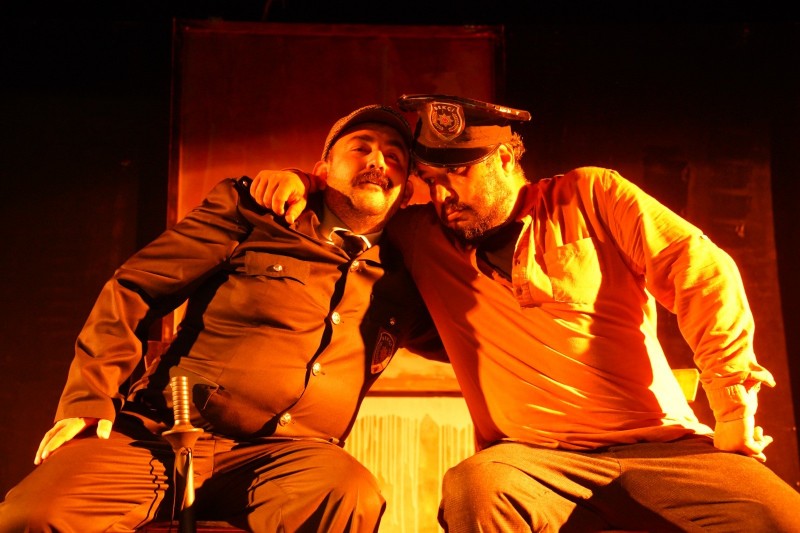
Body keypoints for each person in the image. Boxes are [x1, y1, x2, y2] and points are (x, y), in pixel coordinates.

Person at [249, 94, 800, 532]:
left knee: (779, 516)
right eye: (432, 181)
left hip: (662, 449)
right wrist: (307, 180)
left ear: (505, 160)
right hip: (530, 463)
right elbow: (359, 198)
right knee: (474, 488)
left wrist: (732, 407)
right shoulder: (420, 235)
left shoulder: (591, 194)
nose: (443, 196)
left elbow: (701, 271)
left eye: (458, 174)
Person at [0, 104, 444, 533]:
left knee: (349, 493)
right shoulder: (253, 212)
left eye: (393, 156)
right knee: (31, 515)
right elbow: (134, 288)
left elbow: (466, 336)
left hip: (290, 460)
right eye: (360, 148)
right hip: (161, 437)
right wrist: (90, 398)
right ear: (323, 171)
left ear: (406, 192)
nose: (376, 161)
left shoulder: (408, 275)